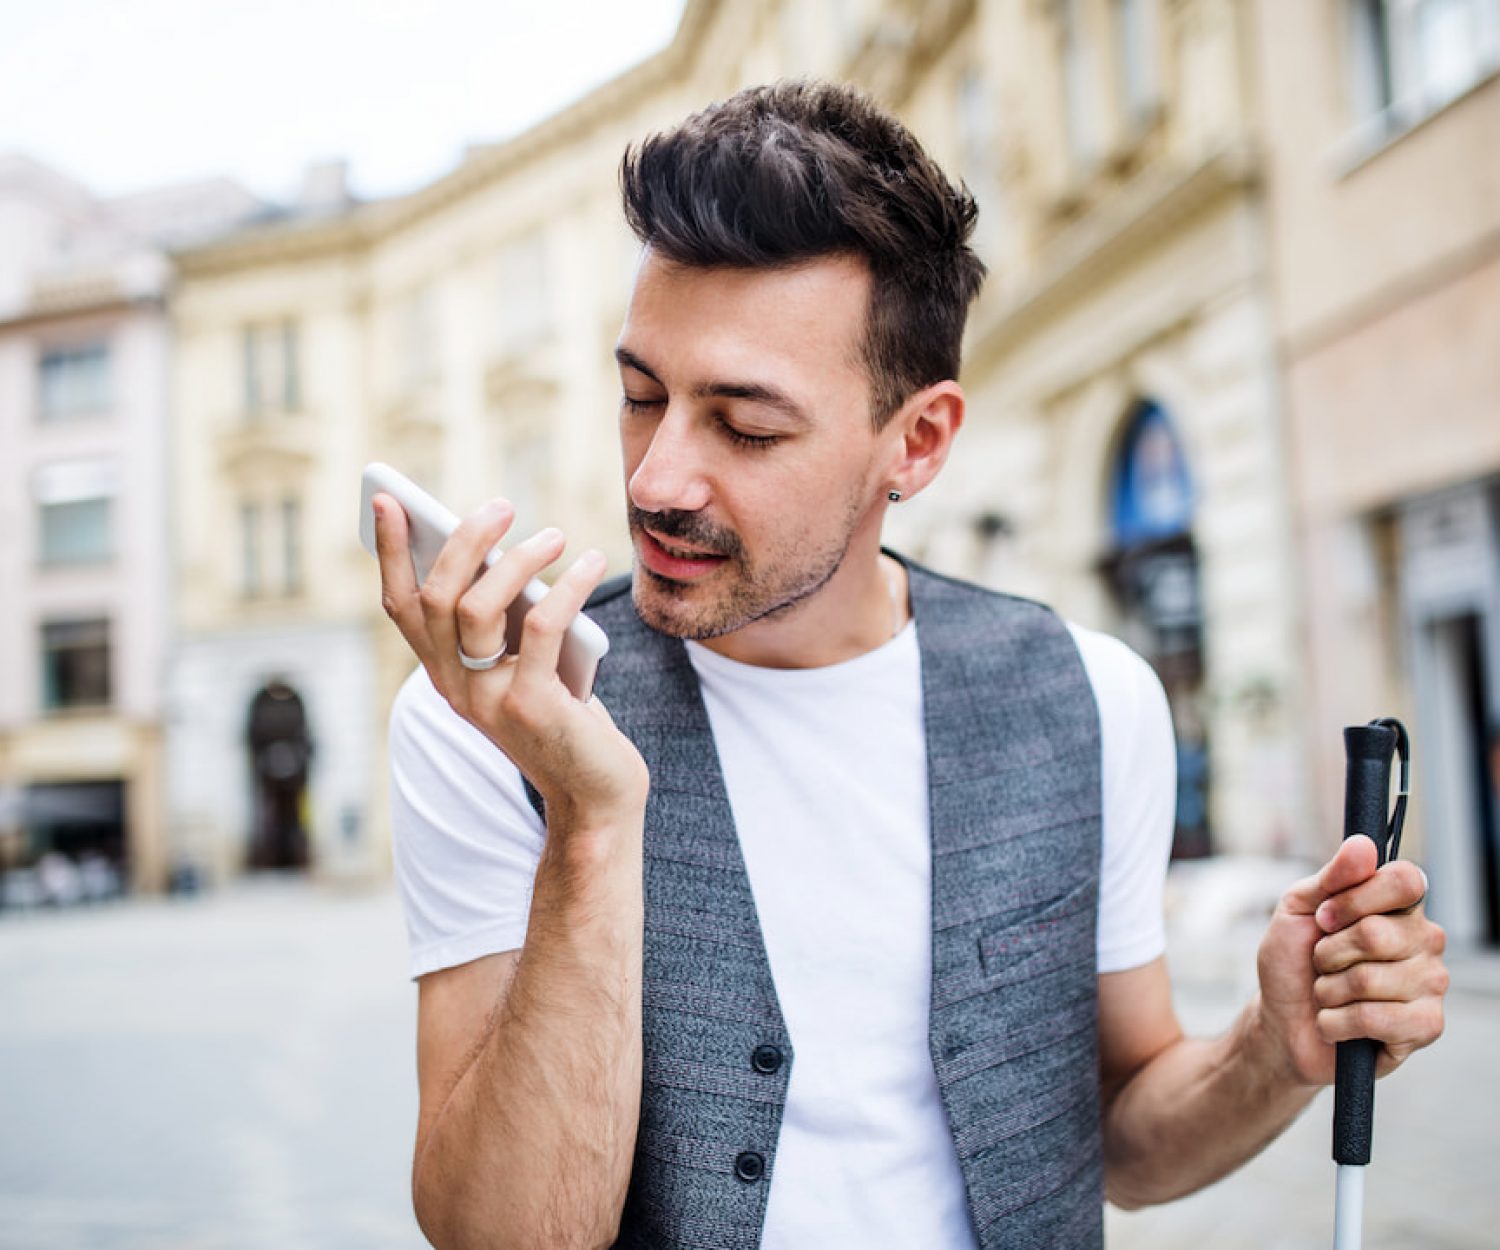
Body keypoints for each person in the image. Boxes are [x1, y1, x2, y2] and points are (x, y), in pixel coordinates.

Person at [373, 81, 1448, 1250]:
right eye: (642, 396)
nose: (655, 478)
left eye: (746, 425)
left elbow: (1119, 1137)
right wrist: (590, 820)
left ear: (919, 440)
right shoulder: (486, 716)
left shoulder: (1088, 697)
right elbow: (513, 1233)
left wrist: (1268, 1048)